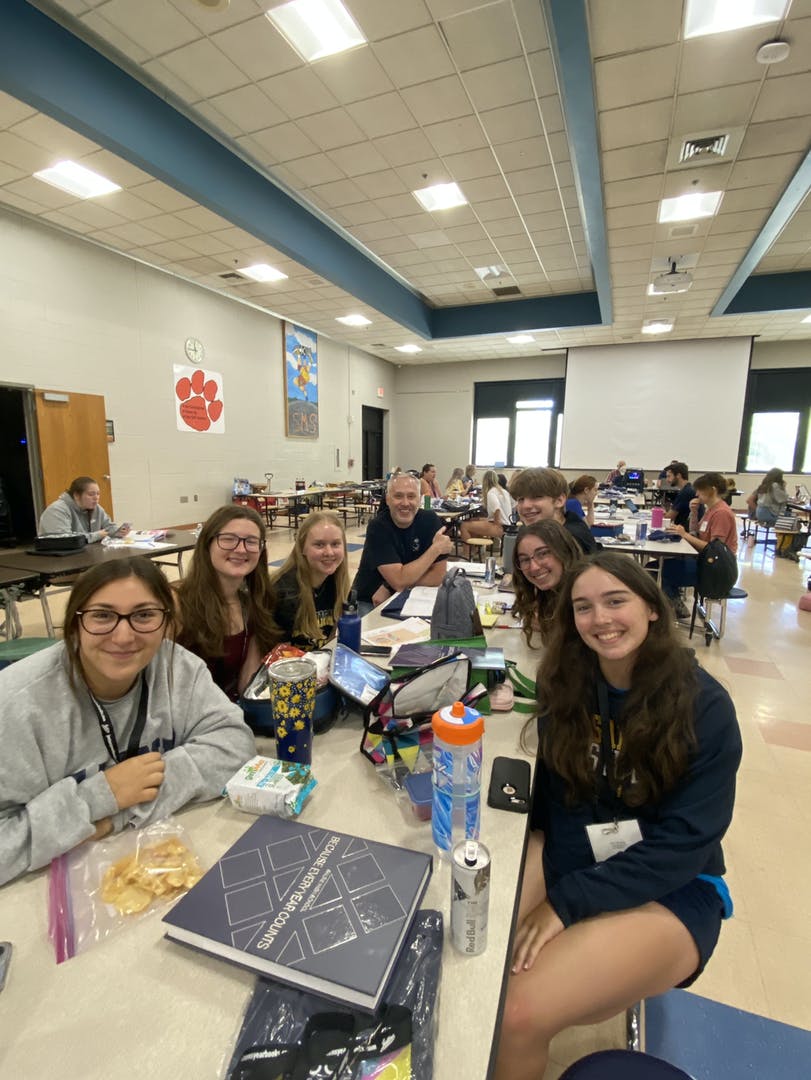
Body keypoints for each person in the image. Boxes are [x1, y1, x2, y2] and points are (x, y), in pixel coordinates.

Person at [493, 553, 741, 1080]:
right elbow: (556, 803)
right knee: (482, 958)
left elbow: (683, 846)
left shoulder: (706, 708)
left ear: (652, 608)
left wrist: (567, 903)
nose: (600, 619)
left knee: (516, 1012)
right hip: (580, 852)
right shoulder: (570, 687)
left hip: (674, 884)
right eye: (583, 607)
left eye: (615, 601)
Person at [0, 557, 255, 887]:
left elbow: (234, 744)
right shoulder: (17, 706)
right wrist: (99, 795)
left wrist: (116, 814)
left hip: (155, 867)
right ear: (75, 623)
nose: (123, 636)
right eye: (103, 615)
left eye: (144, 615)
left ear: (167, 623)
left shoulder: (179, 668)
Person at [174, 506, 280, 700]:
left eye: (251, 542)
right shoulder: (177, 603)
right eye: (228, 539)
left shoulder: (251, 604)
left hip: (228, 716)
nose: (241, 549)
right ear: (208, 544)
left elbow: (248, 684)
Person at [352, 473, 453, 609]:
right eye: (398, 496)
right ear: (388, 499)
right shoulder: (378, 527)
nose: (405, 503)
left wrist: (390, 586)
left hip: (408, 594)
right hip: (369, 600)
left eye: (411, 496)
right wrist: (436, 549)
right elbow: (399, 581)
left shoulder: (430, 520)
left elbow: (437, 576)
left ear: (419, 499)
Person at [271, 511, 350, 648]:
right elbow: (279, 657)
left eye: (335, 544)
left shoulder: (337, 583)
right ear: (302, 548)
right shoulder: (283, 591)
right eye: (319, 545)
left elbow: (329, 641)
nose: (329, 552)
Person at [664, 472, 739, 616]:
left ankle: (675, 605)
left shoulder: (721, 513)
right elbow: (696, 533)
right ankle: (673, 600)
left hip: (715, 569)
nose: (697, 494)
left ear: (713, 490)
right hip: (705, 561)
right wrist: (694, 513)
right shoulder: (711, 509)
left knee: (663, 570)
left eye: (700, 490)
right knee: (663, 565)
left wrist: (684, 535)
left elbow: (714, 550)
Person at [512, 521, 582, 646]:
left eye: (543, 553)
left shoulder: (586, 595)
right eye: (525, 559)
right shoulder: (548, 594)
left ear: (564, 551)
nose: (534, 567)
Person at [509, 467, 599, 555]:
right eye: (521, 499)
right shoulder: (528, 530)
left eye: (536, 497)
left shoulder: (572, 539)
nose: (525, 506)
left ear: (559, 500)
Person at [38, 476, 129, 543]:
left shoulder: (97, 508)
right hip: (59, 559)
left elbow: (108, 527)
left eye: (98, 494)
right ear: (76, 495)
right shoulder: (57, 510)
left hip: (87, 554)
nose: (96, 498)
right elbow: (63, 540)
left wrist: (118, 531)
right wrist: (96, 535)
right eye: (91, 494)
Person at [460, 469, 512, 550]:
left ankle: (466, 555)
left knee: (464, 525)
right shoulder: (503, 491)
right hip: (507, 525)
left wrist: (496, 525)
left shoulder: (491, 492)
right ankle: (475, 551)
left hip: (500, 526)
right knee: (473, 520)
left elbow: (497, 509)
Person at [662, 462, 696, 528]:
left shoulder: (685, 493)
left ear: (678, 475)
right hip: (682, 528)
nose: (667, 480)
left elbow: (668, 518)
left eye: (669, 476)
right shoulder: (688, 489)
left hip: (683, 531)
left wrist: (658, 514)